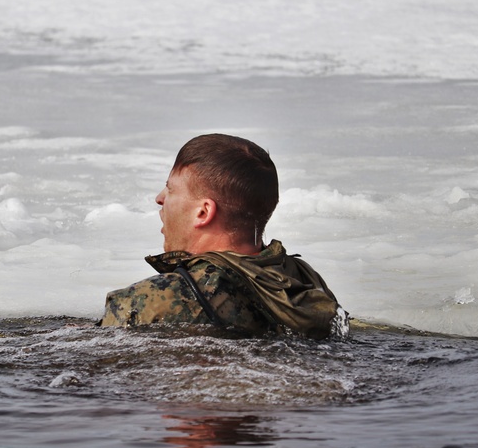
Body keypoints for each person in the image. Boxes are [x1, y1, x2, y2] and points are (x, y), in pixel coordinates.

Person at [100, 133, 346, 339]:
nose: (160, 198)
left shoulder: (150, 300)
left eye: (171, 188)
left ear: (203, 212)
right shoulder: (304, 282)